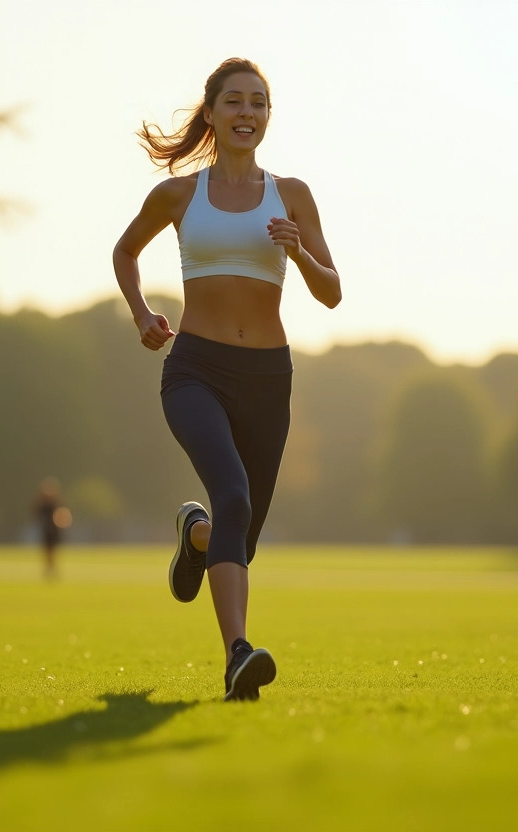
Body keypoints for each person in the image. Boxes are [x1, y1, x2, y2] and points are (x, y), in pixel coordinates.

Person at [112, 58, 341, 701]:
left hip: (268, 376)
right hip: (195, 368)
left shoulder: (291, 194)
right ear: (210, 112)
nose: (248, 113)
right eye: (235, 102)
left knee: (242, 531)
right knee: (233, 492)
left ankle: (198, 534)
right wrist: (141, 314)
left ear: (269, 117)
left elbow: (332, 294)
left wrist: (296, 248)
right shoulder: (179, 195)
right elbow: (125, 251)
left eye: (260, 104)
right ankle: (238, 655)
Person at [32, 478, 71, 580]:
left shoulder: (56, 504)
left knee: (53, 551)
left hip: (54, 532)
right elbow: (36, 515)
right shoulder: (43, 505)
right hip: (46, 531)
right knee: (47, 551)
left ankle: (52, 569)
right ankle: (49, 569)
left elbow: (63, 516)